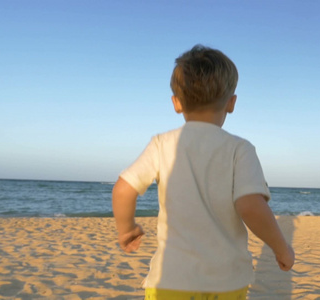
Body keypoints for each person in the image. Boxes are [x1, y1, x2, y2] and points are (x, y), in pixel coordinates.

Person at [112, 44, 295, 299]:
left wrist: (127, 229)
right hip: (227, 282)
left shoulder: (162, 144)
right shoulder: (240, 149)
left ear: (176, 103)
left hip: (170, 279)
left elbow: (123, 189)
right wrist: (281, 247)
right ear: (231, 103)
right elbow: (251, 206)